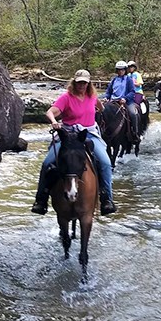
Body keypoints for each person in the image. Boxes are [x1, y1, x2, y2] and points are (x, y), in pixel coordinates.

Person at [31, 69, 117, 216]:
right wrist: (53, 121)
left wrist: (99, 109)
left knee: (105, 163)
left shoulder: (92, 96)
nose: (81, 85)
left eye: (84, 83)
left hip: (88, 134)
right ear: (74, 83)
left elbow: (100, 108)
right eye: (79, 83)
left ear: (88, 83)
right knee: (47, 163)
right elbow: (50, 112)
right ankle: (41, 200)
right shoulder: (66, 98)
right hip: (68, 135)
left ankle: (107, 199)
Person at [104, 60, 139, 140]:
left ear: (125, 70)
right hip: (113, 101)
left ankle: (135, 133)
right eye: (119, 70)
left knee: (133, 114)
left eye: (122, 69)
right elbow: (109, 91)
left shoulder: (129, 80)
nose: (120, 71)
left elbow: (132, 92)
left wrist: (125, 98)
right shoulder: (114, 80)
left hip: (126, 101)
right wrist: (106, 97)